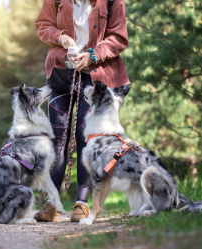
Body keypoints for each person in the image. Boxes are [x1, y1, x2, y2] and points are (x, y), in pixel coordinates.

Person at [34, 0, 129, 222]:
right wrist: (60, 37)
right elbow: (42, 25)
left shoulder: (114, 2)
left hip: (97, 76)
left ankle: (82, 203)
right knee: (57, 137)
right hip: (61, 73)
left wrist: (93, 55)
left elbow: (118, 37)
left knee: (86, 137)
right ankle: (52, 204)